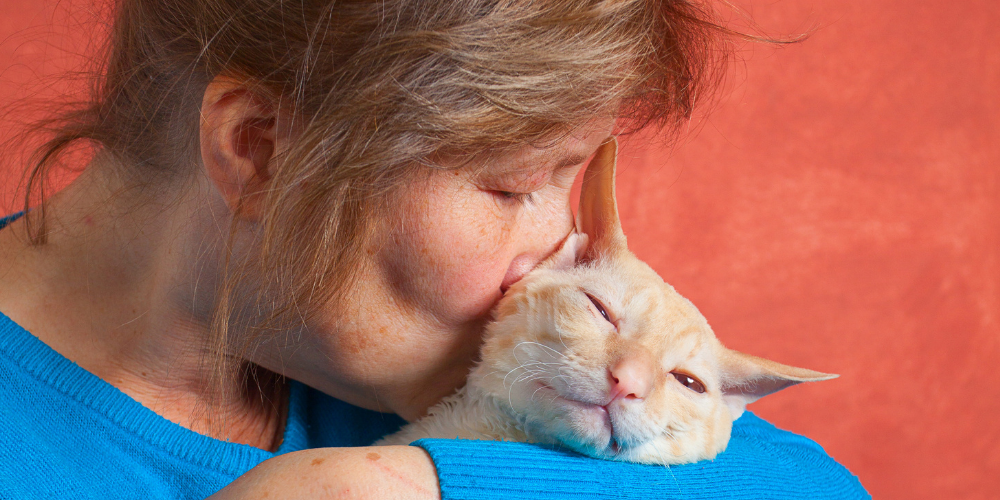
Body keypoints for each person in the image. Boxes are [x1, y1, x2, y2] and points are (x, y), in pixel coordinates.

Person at [0, 0, 869, 498]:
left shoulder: (460, 376)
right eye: (512, 185)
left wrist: (408, 485)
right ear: (263, 150)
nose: (553, 249)